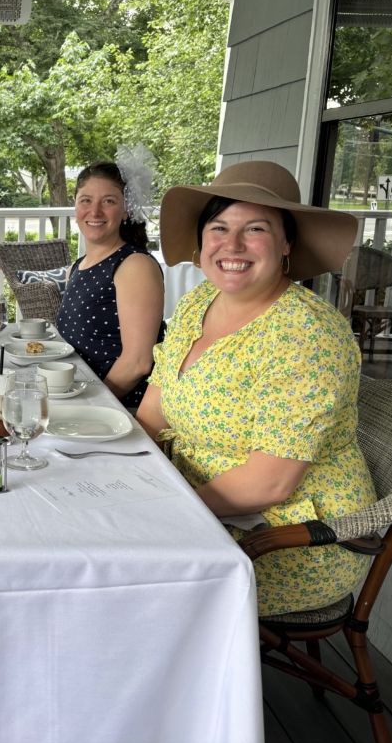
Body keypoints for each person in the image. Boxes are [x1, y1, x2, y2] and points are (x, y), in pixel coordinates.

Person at [136, 160, 376, 617]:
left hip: (288, 537)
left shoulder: (305, 334)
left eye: (256, 229)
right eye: (219, 227)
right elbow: (154, 411)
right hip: (196, 500)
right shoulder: (197, 302)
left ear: (287, 243)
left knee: (119, 585)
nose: (232, 245)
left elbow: (271, 481)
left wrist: (161, 516)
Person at [55, 147, 165, 410]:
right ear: (75, 206)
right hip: (78, 397)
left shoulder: (134, 265)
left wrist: (86, 407)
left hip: (119, 410)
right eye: (86, 200)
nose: (95, 211)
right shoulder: (78, 267)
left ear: (126, 210)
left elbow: (138, 363)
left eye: (109, 201)